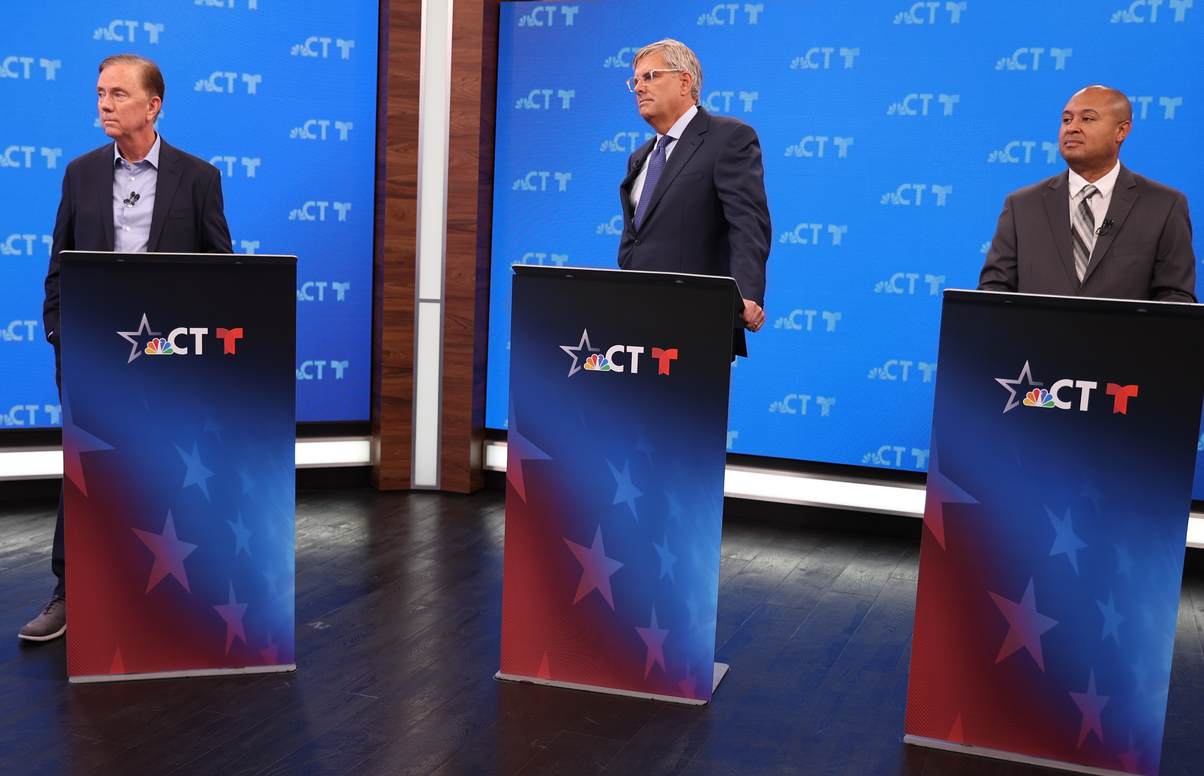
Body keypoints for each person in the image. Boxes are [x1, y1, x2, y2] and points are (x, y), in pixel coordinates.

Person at [21, 54, 233, 641]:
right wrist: (62, 335)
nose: (104, 105)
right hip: (92, 351)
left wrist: (195, 345)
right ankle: (70, 591)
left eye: (117, 94)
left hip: (168, 355)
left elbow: (222, 273)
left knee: (168, 469)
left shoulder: (199, 178)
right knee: (85, 469)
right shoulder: (81, 173)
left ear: (152, 105)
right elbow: (58, 265)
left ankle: (172, 598)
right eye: (99, 94)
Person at [616, 39, 771, 357]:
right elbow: (638, 240)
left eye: (651, 76)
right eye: (636, 80)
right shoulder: (639, 157)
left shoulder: (728, 137)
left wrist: (745, 295)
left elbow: (748, 225)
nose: (639, 88)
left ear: (684, 81)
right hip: (635, 324)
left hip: (696, 322)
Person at [978, 85, 1196, 302]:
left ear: (1121, 131)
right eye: (1066, 120)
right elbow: (994, 289)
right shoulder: (1022, 205)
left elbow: (1175, 297)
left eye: (1087, 119)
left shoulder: (1164, 205)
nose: (1072, 128)